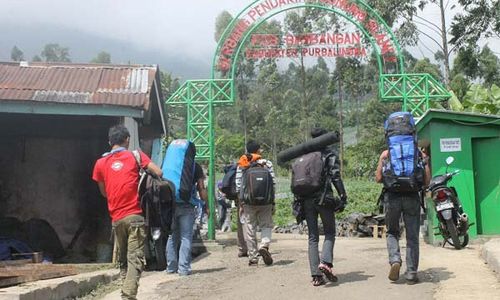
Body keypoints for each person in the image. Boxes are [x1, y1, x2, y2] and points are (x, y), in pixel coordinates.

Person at [92, 124, 162, 300]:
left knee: (123, 260)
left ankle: (126, 291)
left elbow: (103, 192)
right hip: (135, 216)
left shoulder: (100, 163)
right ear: (127, 140)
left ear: (109, 141)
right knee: (135, 259)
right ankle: (128, 296)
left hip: (116, 218)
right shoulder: (135, 155)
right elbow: (158, 172)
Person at [375, 141, 431, 284]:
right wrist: (425, 163)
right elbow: (427, 182)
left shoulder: (386, 154)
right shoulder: (418, 154)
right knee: (412, 236)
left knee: (392, 232)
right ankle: (411, 273)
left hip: (392, 197)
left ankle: (395, 260)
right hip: (412, 197)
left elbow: (378, 178)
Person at [298, 127, 347, 286]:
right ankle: (325, 263)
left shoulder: (305, 155)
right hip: (324, 198)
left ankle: (316, 275)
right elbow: (335, 175)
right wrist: (342, 195)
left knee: (312, 237)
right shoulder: (328, 154)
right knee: (330, 232)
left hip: (306, 200)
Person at [235, 140, 276, 266]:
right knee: (266, 225)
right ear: (258, 150)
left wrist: (241, 202)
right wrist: (272, 201)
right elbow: (273, 183)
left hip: (248, 202)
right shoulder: (267, 163)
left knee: (249, 227)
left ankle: (253, 257)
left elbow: (238, 185)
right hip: (266, 202)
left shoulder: (242, 164)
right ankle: (264, 245)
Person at [166, 162, 208, 276]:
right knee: (186, 237)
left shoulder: (171, 163)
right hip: (187, 205)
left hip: (170, 205)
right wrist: (206, 205)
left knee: (172, 236)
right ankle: (183, 269)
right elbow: (201, 187)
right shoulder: (195, 166)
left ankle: (171, 268)